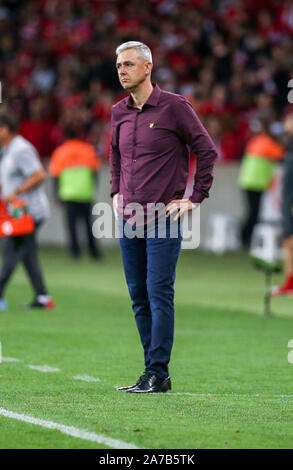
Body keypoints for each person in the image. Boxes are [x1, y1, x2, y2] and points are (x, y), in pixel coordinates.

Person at [110, 41, 217, 394]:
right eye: (118, 64)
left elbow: (207, 150)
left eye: (128, 64)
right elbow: (114, 154)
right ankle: (151, 373)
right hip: (129, 217)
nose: (121, 70)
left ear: (147, 67)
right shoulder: (118, 112)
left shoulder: (175, 107)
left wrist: (194, 198)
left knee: (158, 293)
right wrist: (114, 192)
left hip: (162, 216)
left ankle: (158, 372)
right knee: (139, 295)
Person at [0, 112, 53, 310]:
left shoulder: (21, 149)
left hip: (29, 212)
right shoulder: (7, 150)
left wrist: (17, 191)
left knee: (10, 250)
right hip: (17, 213)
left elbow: (39, 174)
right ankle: (42, 297)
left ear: (5, 129)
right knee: (26, 254)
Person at [49, 128, 101, 259]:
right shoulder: (88, 149)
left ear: (65, 137)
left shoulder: (60, 152)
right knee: (89, 225)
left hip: (68, 194)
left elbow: (55, 176)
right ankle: (94, 252)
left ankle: (75, 252)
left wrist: (56, 195)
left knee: (71, 226)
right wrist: (94, 188)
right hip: (85, 193)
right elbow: (95, 172)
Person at [238, 118, 284, 247]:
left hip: (249, 181)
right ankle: (245, 239)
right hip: (255, 182)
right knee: (254, 213)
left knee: (253, 212)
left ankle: (246, 238)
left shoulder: (255, 141)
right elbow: (282, 155)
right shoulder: (266, 142)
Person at [272, 113, 293, 296]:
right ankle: (290, 283)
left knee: (290, 242)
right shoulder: (289, 147)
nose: (286, 122)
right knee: (288, 243)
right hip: (288, 201)